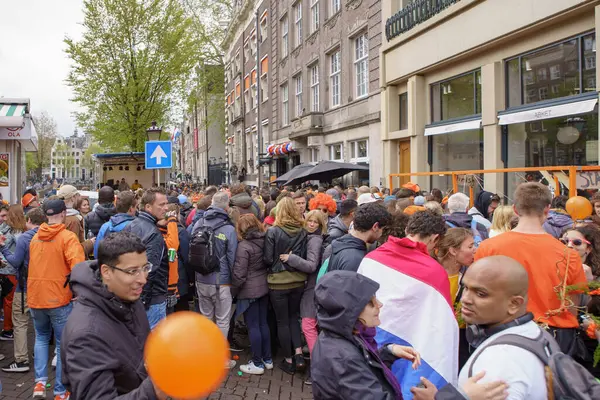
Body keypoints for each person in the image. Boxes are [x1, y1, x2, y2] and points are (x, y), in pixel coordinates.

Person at [475, 182, 587, 355]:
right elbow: (573, 304)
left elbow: (479, 294)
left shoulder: (488, 248)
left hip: (503, 333)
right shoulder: (568, 254)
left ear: (515, 209)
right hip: (554, 337)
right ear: (547, 210)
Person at [357, 211, 457, 397]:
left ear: (407, 229)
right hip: (415, 350)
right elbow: (441, 327)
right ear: (435, 238)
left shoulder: (371, 258)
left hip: (371, 340)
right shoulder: (435, 272)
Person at [61, 232, 166, 399]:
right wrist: (153, 391)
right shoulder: (86, 334)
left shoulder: (128, 297)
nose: (143, 280)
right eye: (132, 271)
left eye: (145, 268)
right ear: (106, 272)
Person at [312, 270, 421, 400]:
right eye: (370, 303)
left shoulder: (337, 336)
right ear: (349, 311)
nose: (379, 305)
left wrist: (389, 352)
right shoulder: (344, 358)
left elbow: (363, 369)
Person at [28, 199, 86, 400]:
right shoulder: (67, 238)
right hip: (59, 299)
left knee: (41, 338)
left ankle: (39, 383)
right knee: (62, 344)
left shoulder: (35, 238)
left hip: (36, 297)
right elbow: (78, 268)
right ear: (63, 214)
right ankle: (60, 392)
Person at [192, 192, 238, 368]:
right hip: (221, 281)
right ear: (226, 207)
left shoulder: (198, 223)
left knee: (205, 318)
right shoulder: (228, 229)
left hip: (201, 279)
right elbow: (232, 257)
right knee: (222, 320)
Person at [264, 197, 308, 375]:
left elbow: (267, 258)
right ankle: (299, 355)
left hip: (278, 282)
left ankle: (288, 360)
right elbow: (303, 256)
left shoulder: (273, 231)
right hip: (298, 280)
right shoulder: (303, 231)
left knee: (282, 321)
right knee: (293, 317)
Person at [0, 208, 47, 373]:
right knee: (40, 324)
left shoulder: (25, 238)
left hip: (25, 286)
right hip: (45, 286)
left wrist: (3, 248)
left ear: (29, 220)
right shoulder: (52, 236)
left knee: (20, 323)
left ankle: (21, 360)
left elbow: (15, 261)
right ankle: (39, 352)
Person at [124, 188, 169, 329]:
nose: (166, 208)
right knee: (153, 346)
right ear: (148, 207)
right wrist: (141, 302)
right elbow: (149, 271)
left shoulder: (132, 225)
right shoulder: (154, 234)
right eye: (161, 205)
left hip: (137, 295)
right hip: (152, 300)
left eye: (166, 204)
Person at [231, 214, 271, 375]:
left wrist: (234, 291)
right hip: (264, 287)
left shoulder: (244, 246)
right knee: (263, 324)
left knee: (253, 326)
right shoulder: (265, 240)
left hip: (250, 290)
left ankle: (256, 363)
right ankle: (267, 359)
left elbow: (239, 274)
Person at [436, 228, 476, 369]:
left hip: (462, 338)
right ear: (453, 251)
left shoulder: (472, 274)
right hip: (438, 337)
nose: (475, 250)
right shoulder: (433, 274)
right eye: (470, 246)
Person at [295, 210, 327, 385]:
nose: (311, 224)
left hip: (312, 288)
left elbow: (311, 265)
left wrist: (291, 258)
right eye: (309, 221)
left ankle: (317, 370)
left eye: (315, 222)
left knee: (308, 325)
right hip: (312, 287)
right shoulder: (310, 237)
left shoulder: (314, 240)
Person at [325, 203, 391, 273]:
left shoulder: (341, 243)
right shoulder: (355, 258)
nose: (381, 234)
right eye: (383, 229)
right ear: (375, 226)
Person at [0, 204, 26, 341]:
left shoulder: (5, 229)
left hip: (5, 268)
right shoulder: (15, 231)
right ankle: (7, 329)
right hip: (10, 268)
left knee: (7, 300)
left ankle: (8, 328)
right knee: (10, 300)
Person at [93, 190, 138, 259]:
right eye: (136, 207)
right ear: (131, 208)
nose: (136, 210)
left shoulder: (105, 227)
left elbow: (97, 253)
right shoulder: (137, 226)